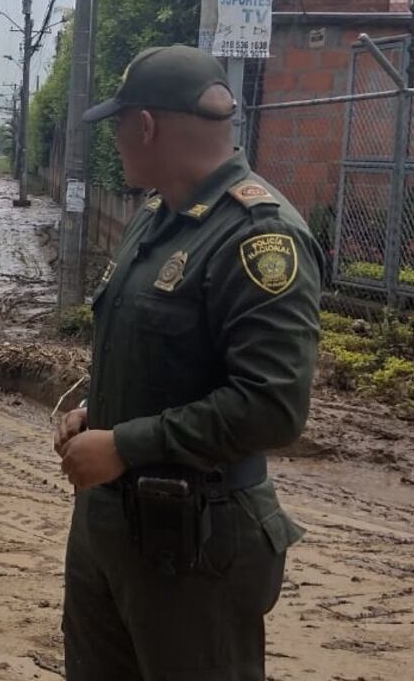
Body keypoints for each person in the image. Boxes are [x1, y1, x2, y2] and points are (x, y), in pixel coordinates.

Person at [52, 45, 324, 680]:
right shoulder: (155, 218)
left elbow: (272, 406)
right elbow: (158, 353)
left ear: (145, 126)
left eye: (120, 124)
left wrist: (125, 444)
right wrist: (98, 413)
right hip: (109, 528)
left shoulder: (257, 236)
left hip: (195, 542)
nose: (116, 139)